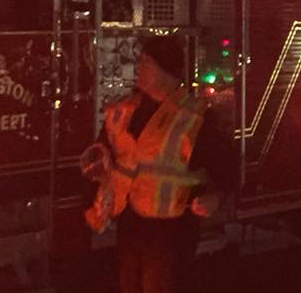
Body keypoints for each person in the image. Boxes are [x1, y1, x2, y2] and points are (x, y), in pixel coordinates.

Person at [81, 36, 232, 293]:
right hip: (131, 223)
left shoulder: (196, 118)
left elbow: (226, 166)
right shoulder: (126, 111)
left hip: (172, 230)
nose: (139, 68)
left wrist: (214, 197)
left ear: (167, 71)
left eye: (147, 63)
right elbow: (104, 153)